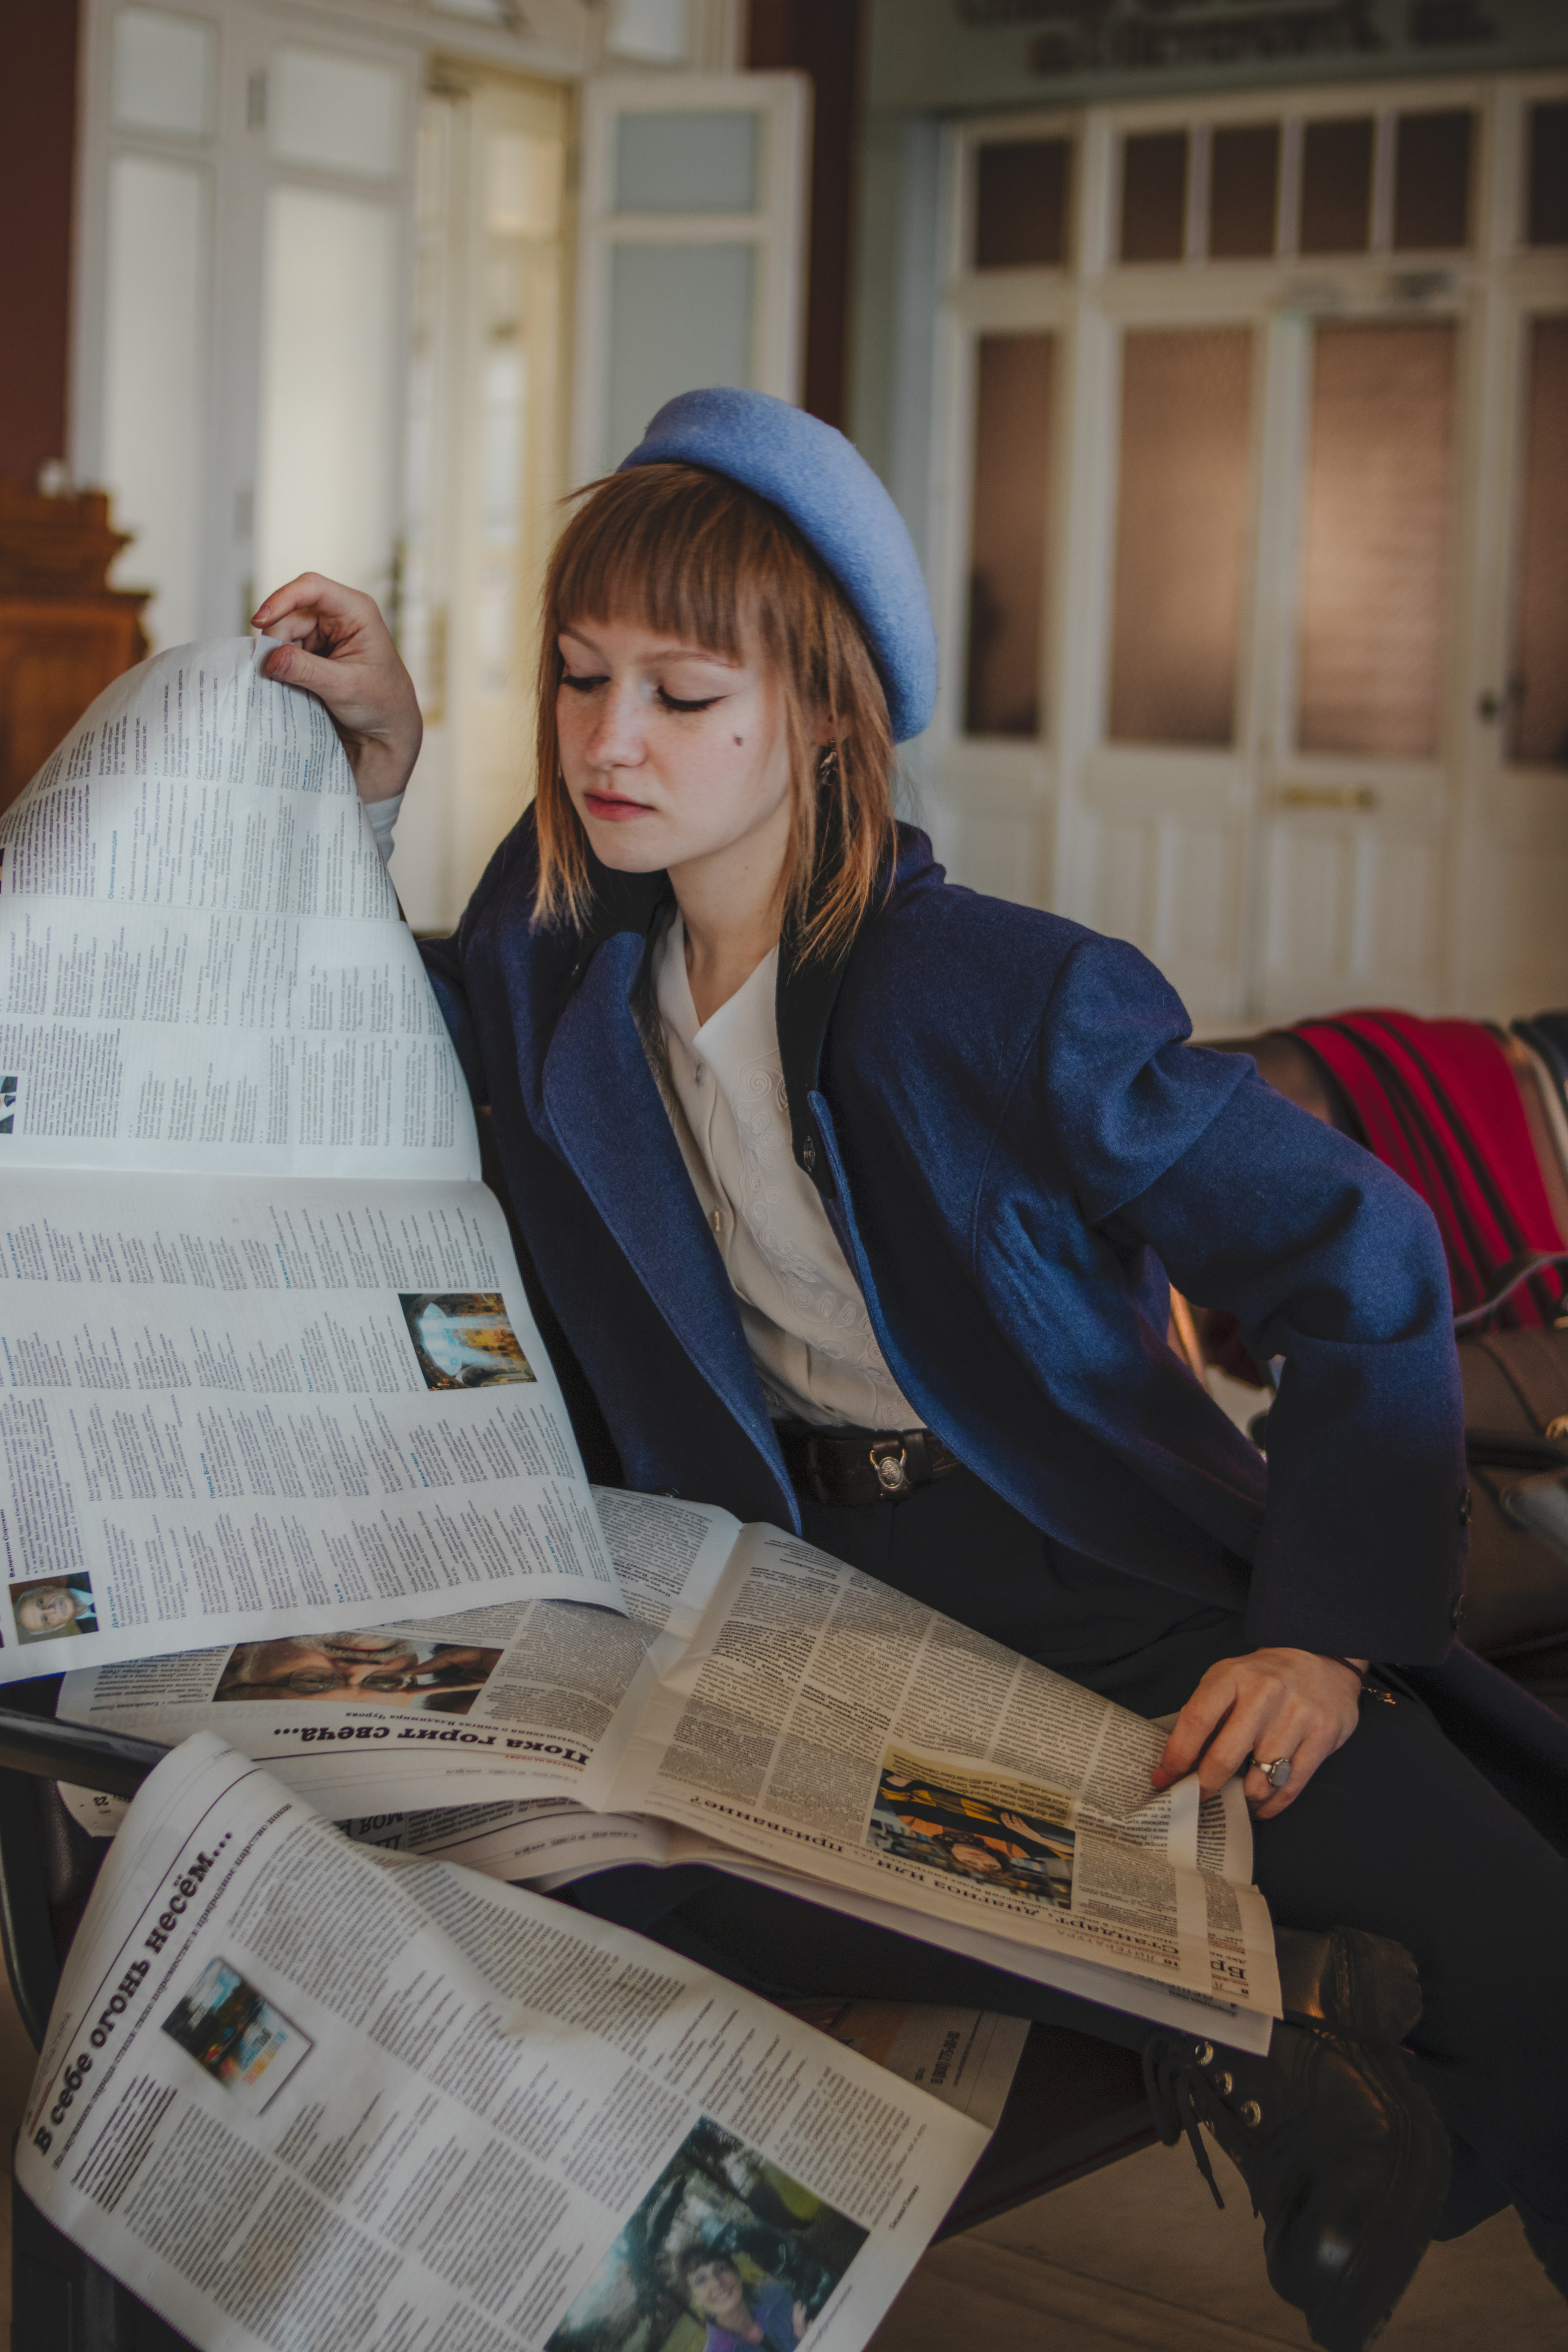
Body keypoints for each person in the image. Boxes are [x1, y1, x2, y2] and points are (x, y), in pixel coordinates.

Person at [252, 387, 1568, 2350]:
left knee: (1518, 1930)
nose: (611, 740)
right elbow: (391, 1048)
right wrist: (377, 769)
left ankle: (1338, 2072)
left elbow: (1355, 1248)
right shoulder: (557, 948)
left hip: (1075, 1568)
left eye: (684, 694)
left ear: (824, 712)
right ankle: (1275, 2028)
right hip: (777, 1595)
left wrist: (1318, 1632)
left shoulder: (1004, 993)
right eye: (579, 677)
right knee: (562, 1889)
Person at [678, 2247, 807, 2352]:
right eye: (701, 2280)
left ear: (736, 2273)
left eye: (721, 2269)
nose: (716, 2283)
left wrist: (808, 2337)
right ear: (694, 2299)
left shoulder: (778, 2296)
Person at [13, 1577, 97, 1641]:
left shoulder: (82, 1574)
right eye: (45, 1619)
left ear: (47, 1588)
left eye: (41, 1602)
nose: (52, 1610)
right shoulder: (91, 1634)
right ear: (58, 1627)